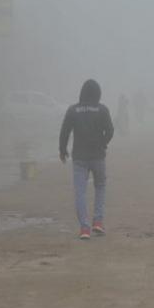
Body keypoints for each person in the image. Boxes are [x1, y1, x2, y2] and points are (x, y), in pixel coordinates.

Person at [59, 79, 115, 240]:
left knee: (80, 192)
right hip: (98, 156)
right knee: (100, 186)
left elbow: (65, 132)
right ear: (98, 93)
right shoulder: (102, 110)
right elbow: (110, 131)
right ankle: (97, 221)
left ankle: (84, 228)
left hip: (79, 158)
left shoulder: (73, 110)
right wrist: (103, 143)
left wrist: (62, 150)